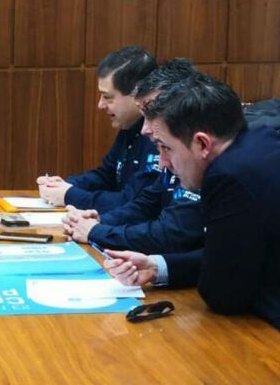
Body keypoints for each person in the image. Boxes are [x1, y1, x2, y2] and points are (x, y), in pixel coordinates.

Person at [102, 75, 280, 360]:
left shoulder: (232, 175)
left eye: (165, 148)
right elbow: (232, 258)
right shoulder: (256, 144)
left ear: (202, 144)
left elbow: (222, 294)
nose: (162, 163)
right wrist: (158, 266)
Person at [63, 59, 205, 254]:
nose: (145, 128)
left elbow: (172, 231)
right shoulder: (158, 139)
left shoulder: (199, 152)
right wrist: (100, 221)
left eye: (152, 113)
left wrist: (98, 231)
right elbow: (146, 203)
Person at [38, 46, 159, 212]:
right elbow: (107, 175)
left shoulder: (157, 136)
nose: (100, 105)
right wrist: (63, 185)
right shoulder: (129, 126)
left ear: (138, 95)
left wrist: (69, 195)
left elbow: (133, 202)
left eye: (108, 97)